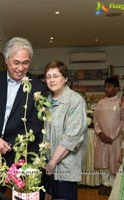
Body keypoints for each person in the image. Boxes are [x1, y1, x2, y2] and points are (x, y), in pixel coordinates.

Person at [0, 37, 46, 200]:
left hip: (22, 153)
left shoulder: (37, 87)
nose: (21, 68)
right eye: (16, 62)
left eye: (25, 63)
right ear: (6, 60)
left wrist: (9, 144)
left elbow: (35, 123)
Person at [43, 60, 87, 200]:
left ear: (65, 78)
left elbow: (71, 137)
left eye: (56, 76)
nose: (51, 80)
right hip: (46, 165)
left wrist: (53, 162)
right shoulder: (46, 100)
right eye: (48, 76)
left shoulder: (75, 101)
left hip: (64, 166)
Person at [93, 77, 124, 195]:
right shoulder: (101, 102)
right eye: (105, 86)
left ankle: (112, 184)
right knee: (102, 161)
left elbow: (123, 120)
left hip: (114, 139)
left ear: (116, 88)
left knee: (113, 161)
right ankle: (105, 183)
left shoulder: (120, 102)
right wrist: (100, 133)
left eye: (109, 86)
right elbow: (95, 118)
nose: (106, 89)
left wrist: (111, 136)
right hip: (102, 138)